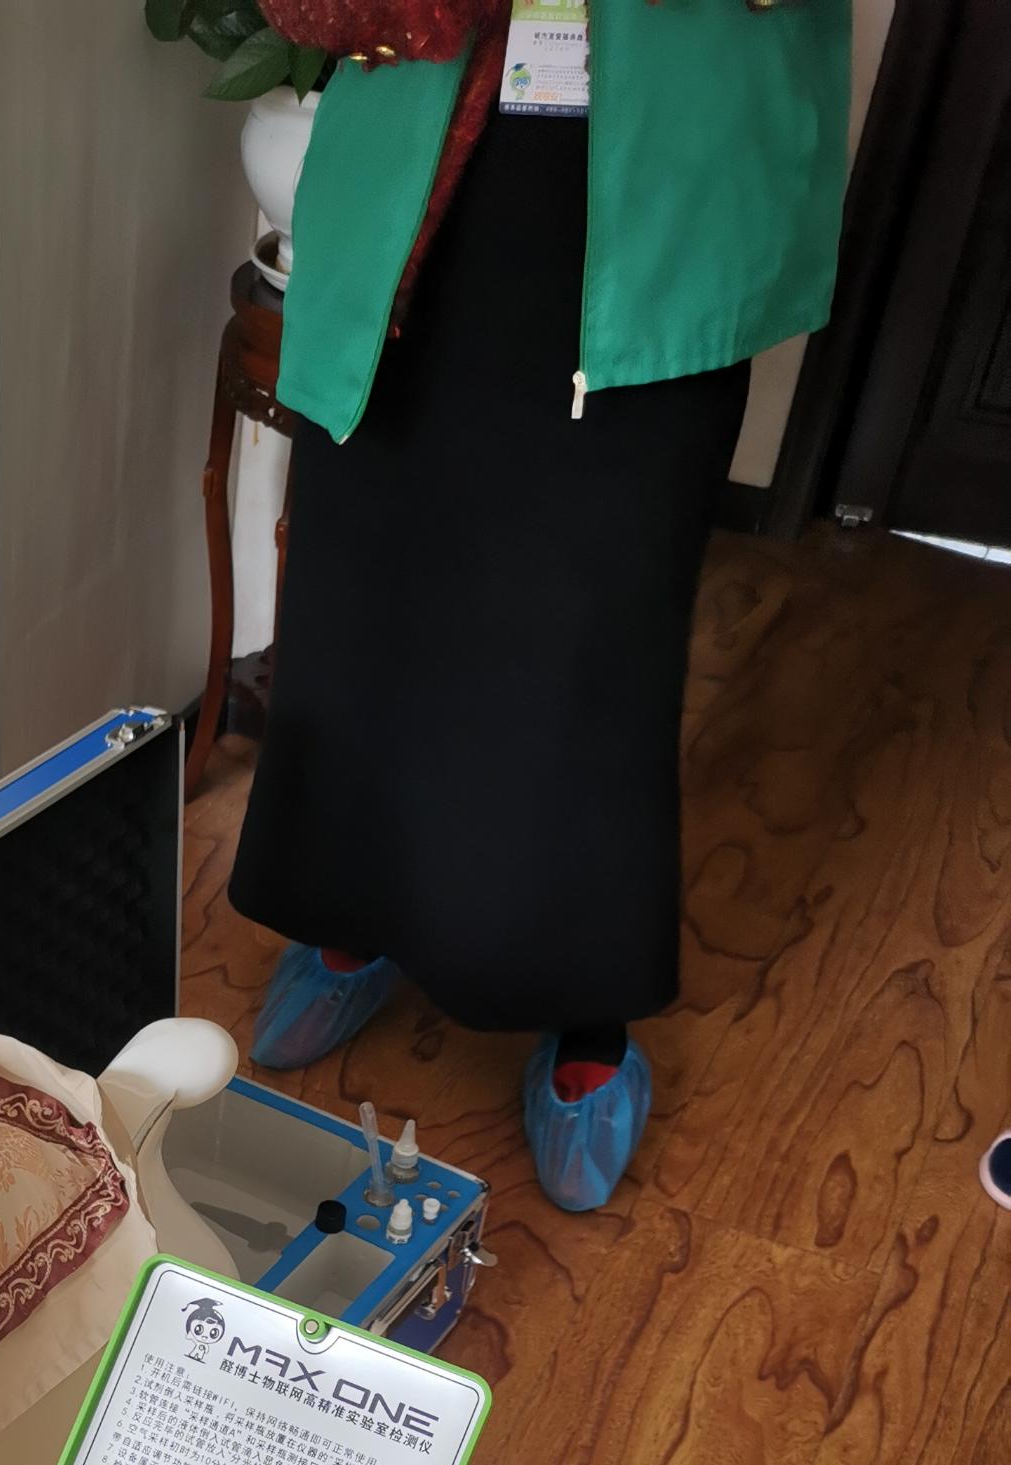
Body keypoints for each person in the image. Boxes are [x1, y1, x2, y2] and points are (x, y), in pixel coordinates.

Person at [228, 0, 851, 1209]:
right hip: (418, 162)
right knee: (367, 578)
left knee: (596, 621)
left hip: (662, 186)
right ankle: (348, 908)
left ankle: (585, 1009)